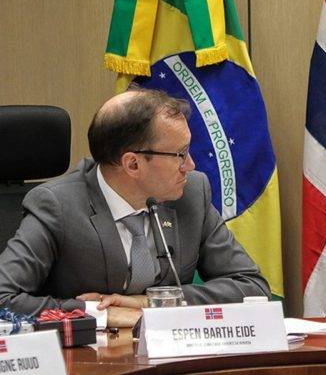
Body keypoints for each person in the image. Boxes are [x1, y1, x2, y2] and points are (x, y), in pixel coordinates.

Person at [0, 88, 270, 326]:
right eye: (180, 154)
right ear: (132, 164)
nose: (190, 165)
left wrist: (149, 303)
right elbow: (3, 298)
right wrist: (99, 314)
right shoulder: (57, 205)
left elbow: (252, 287)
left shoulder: (192, 193)